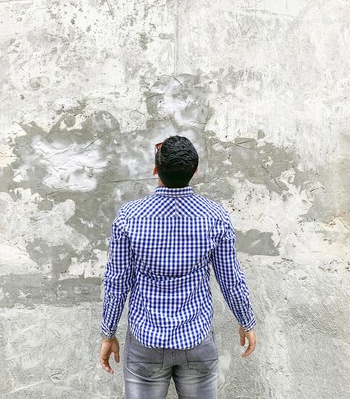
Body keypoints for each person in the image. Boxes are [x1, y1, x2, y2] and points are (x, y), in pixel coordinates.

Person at [99, 135, 257, 398]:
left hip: (146, 341)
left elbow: (117, 282)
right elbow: (231, 279)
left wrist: (108, 333)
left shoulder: (129, 217)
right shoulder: (214, 216)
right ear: (194, 171)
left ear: (155, 169)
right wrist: (246, 321)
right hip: (196, 339)